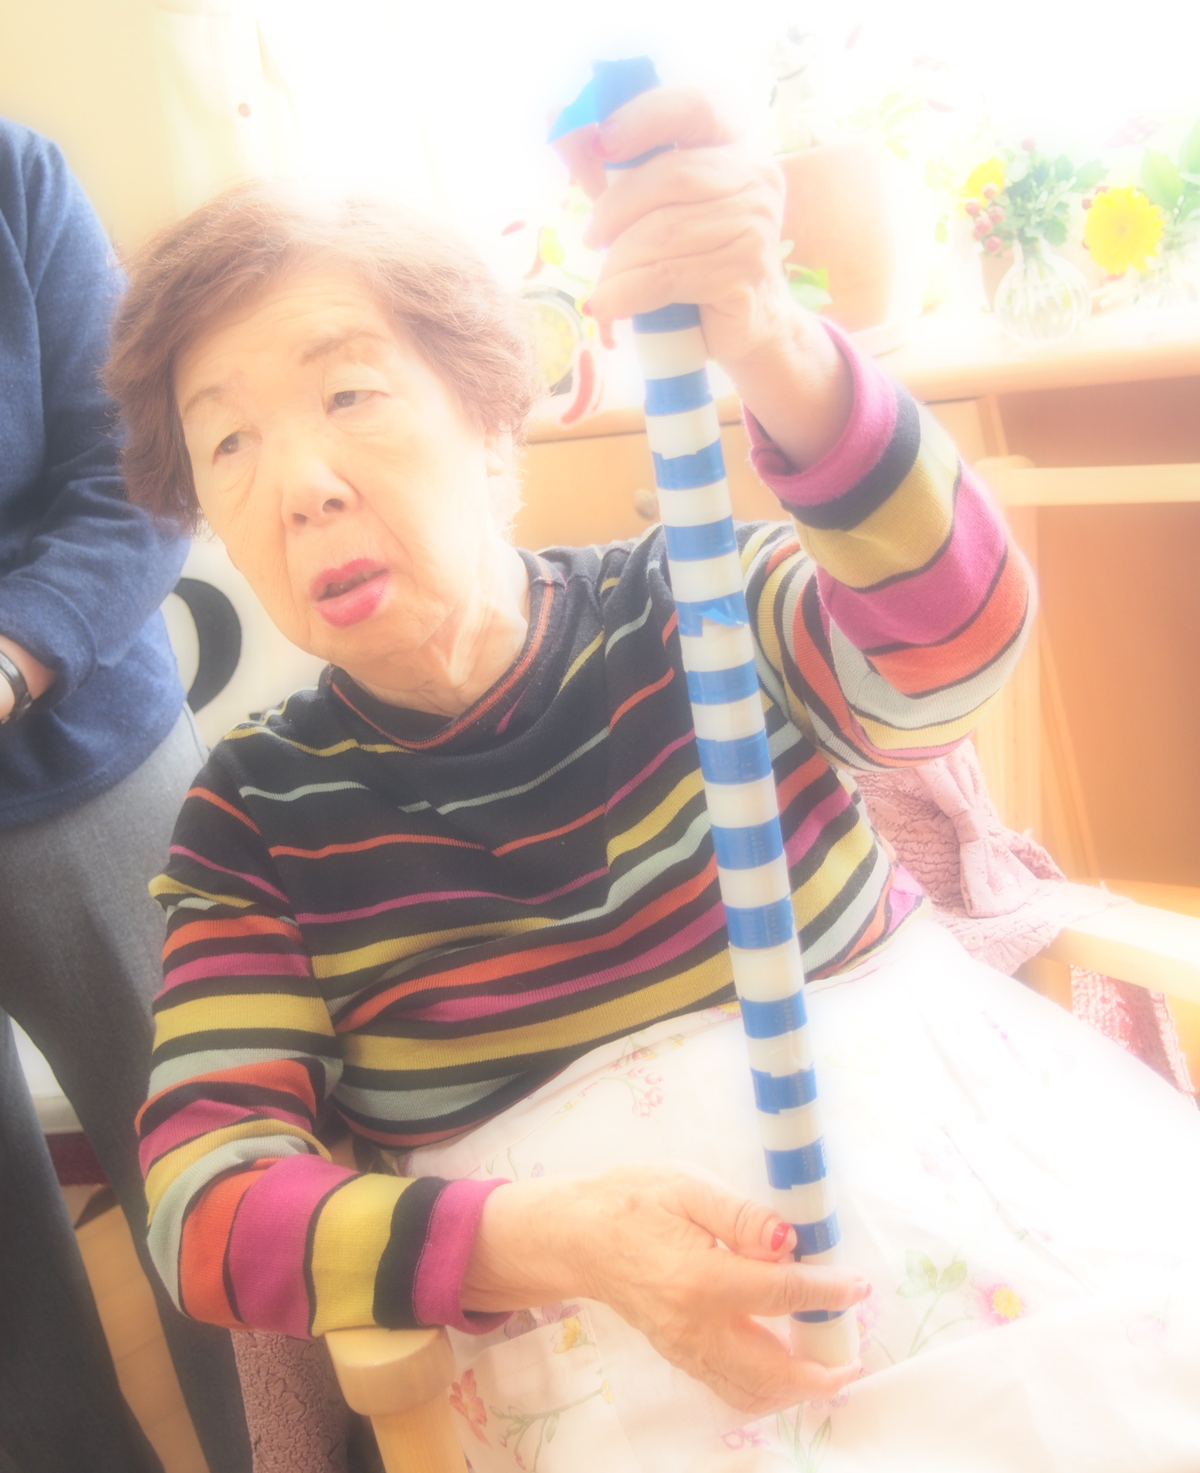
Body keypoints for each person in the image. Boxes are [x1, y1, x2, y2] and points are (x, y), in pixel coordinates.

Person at [109, 88, 1200, 1472]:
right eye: (229, 443)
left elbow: (952, 641)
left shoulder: (701, 602)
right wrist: (547, 1239)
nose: (300, 485)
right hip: (617, 1369)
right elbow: (205, 1205)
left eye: (349, 394)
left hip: (991, 1230)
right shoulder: (258, 820)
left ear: (491, 420)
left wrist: (768, 333)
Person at [0, 117, 252, 1473]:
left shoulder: (15, 176)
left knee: (216, 1167)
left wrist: (14, 650)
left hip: (88, 764)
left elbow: (137, 477)